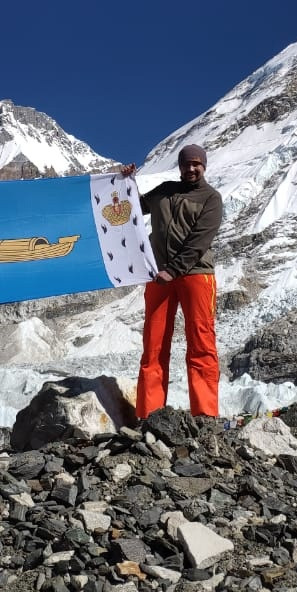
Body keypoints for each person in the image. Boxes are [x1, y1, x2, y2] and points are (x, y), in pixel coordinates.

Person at [119, 144, 224, 420]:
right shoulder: (165, 190)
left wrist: (174, 270)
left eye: (196, 164)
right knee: (153, 345)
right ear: (180, 166)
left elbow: (200, 241)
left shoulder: (211, 198)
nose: (191, 169)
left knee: (201, 344)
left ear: (204, 166)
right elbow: (133, 207)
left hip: (196, 275)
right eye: (186, 164)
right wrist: (126, 181)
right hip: (159, 277)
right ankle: (149, 415)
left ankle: (205, 415)